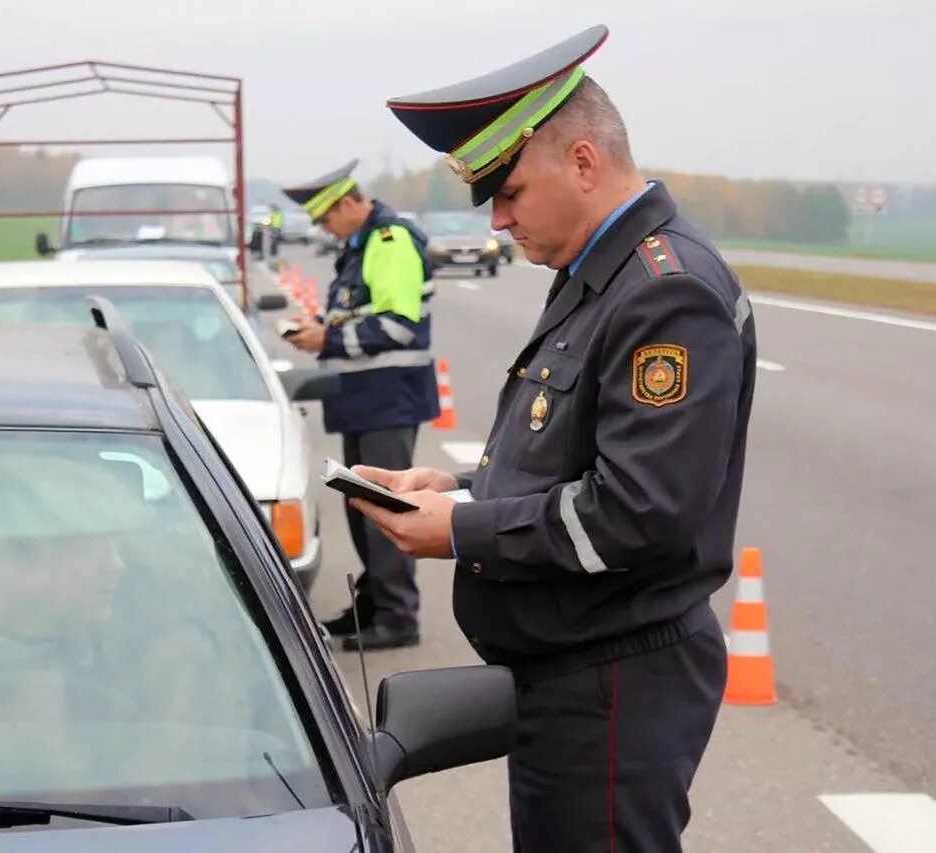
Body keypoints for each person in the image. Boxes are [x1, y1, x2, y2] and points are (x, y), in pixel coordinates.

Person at [351, 25, 757, 852]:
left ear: (582, 162)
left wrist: (461, 530)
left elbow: (639, 512)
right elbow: (569, 460)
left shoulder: (664, 292)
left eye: (508, 191)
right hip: (574, 672)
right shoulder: (597, 275)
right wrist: (458, 493)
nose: (498, 219)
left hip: (614, 681)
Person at [280, 160, 439, 651]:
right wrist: (319, 328)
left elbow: (397, 325)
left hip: (388, 396)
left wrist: (324, 338)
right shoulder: (359, 246)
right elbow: (359, 313)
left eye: (328, 218)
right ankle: (373, 607)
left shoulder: (388, 241)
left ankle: (397, 617)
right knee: (361, 510)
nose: (325, 228)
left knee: (384, 507)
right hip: (364, 399)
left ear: (351, 202)